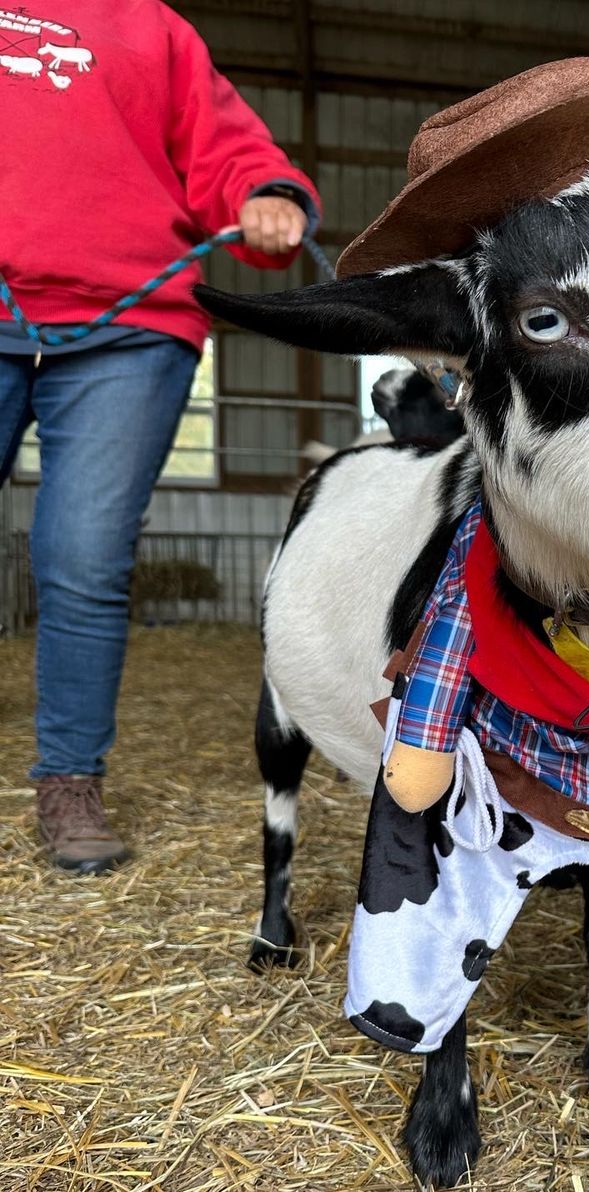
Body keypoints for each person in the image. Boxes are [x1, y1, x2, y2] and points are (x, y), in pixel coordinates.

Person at [0, 0, 321, 873]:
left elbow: (227, 147)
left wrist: (267, 193)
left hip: (129, 323)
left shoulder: (151, 25)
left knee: (83, 553)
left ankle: (68, 780)